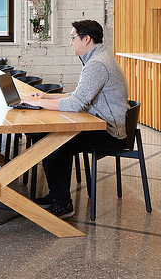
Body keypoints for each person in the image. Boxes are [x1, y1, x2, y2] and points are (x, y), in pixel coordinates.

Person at [25, 20, 130, 218]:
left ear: (86, 39)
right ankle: (57, 194)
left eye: (73, 37)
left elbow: (75, 105)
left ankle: (63, 205)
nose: (71, 42)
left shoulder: (97, 64)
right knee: (45, 138)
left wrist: (35, 104)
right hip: (100, 123)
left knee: (54, 143)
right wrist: (45, 97)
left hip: (109, 131)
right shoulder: (97, 58)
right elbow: (78, 96)